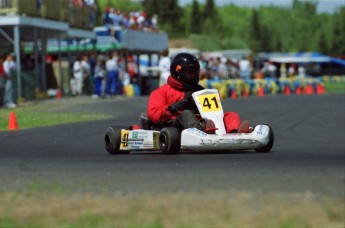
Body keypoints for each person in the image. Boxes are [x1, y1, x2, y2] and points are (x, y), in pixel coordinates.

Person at [147, 53, 250, 133]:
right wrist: (175, 107)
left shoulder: (200, 90)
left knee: (231, 115)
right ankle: (201, 133)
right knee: (186, 114)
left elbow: (213, 112)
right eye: (190, 73)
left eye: (195, 72)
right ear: (178, 72)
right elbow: (153, 115)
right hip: (173, 126)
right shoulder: (161, 92)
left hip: (202, 122)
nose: (193, 76)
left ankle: (234, 133)